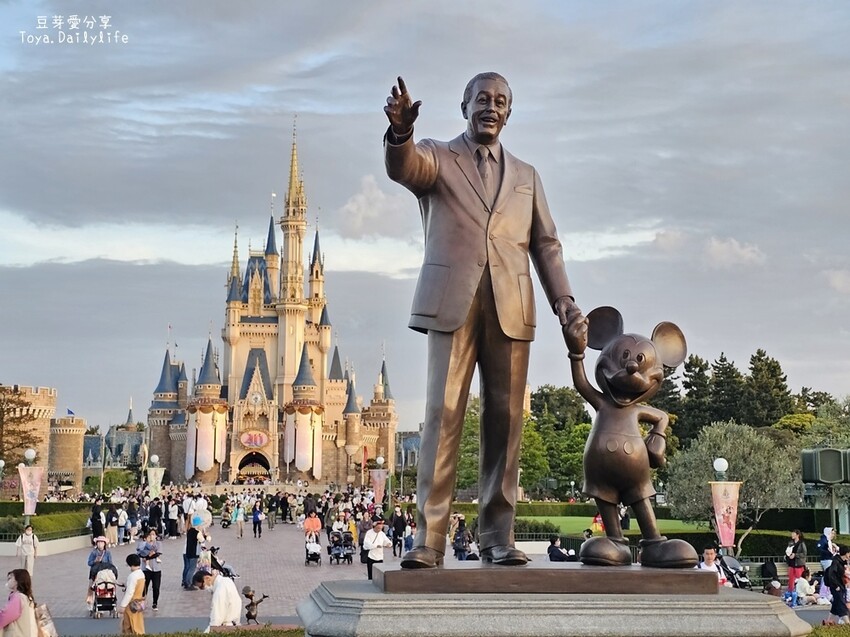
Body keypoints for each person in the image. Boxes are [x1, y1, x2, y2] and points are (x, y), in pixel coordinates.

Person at [383, 73, 580, 569]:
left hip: (511, 305)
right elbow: (404, 168)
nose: (490, 108)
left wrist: (565, 302)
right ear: (463, 105)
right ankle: (429, 540)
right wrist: (401, 134)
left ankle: (497, 536)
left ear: (509, 112)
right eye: (481, 100)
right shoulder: (437, 157)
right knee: (443, 417)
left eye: (500, 101)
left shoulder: (527, 175)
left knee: (507, 421)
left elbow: (546, 245)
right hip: (453, 301)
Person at [0, 569, 38, 637]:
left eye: (11, 578)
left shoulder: (18, 597)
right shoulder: (27, 599)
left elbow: (6, 615)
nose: (8, 580)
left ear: (17, 581)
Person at [118, 554, 146, 635]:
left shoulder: (132, 576)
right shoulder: (141, 574)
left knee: (129, 626)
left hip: (131, 604)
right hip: (138, 603)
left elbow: (129, 593)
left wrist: (123, 606)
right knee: (138, 624)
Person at [823, 545, 850, 625]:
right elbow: (832, 574)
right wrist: (836, 586)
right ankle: (848, 623)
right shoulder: (836, 562)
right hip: (836, 586)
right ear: (846, 553)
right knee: (841, 603)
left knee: (836, 604)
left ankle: (828, 621)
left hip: (840, 585)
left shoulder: (841, 562)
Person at [136, 528, 162, 611]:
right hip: (145, 569)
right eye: (150, 534)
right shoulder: (143, 544)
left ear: (156, 536)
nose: (152, 536)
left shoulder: (158, 544)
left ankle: (155, 603)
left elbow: (158, 553)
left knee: (156, 587)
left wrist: (147, 556)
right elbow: (139, 554)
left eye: (153, 534)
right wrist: (146, 556)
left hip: (156, 569)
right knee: (144, 586)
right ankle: (142, 602)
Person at [182, 525, 201, 590]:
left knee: (188, 567)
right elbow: (202, 540)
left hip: (188, 551)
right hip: (194, 552)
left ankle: (185, 582)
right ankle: (189, 583)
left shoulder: (189, 531)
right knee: (192, 568)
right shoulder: (197, 533)